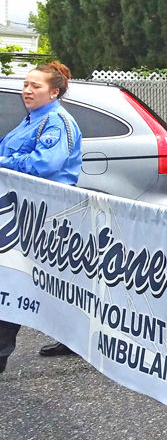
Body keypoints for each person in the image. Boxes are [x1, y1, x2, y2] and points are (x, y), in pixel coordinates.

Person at [0, 61, 83, 372]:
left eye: (35, 86)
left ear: (55, 92)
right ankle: (75, 338)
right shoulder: (31, 120)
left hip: (46, 214)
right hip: (20, 209)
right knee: (52, 280)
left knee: (14, 278)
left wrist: (4, 161)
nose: (27, 90)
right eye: (25, 84)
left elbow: (45, 164)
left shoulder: (57, 121)